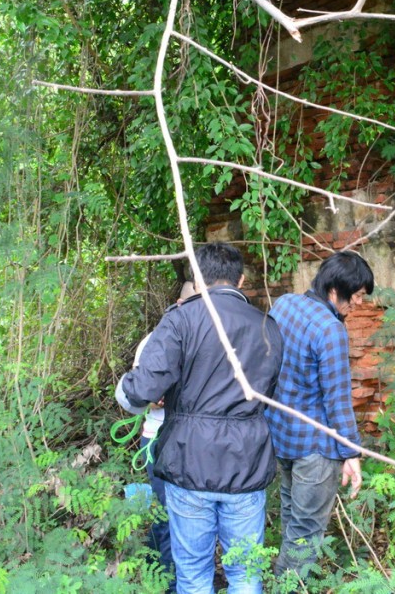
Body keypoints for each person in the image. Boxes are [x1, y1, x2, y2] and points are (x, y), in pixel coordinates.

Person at [120, 244, 283, 594]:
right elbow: (271, 392)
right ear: (241, 279)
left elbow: (140, 391)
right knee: (246, 573)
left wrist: (127, 389)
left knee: (193, 572)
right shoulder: (268, 327)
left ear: (196, 280)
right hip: (247, 465)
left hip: (189, 463)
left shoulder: (180, 320)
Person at [265, 251, 374, 580]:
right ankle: (287, 587)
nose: (357, 305)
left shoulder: (284, 304)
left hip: (281, 437)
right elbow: (338, 399)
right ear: (334, 290)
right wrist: (351, 452)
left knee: (290, 516)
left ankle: (281, 580)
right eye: (355, 297)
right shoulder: (330, 329)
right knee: (305, 531)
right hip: (315, 448)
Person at [115, 281, 196, 589]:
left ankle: (165, 571)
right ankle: (168, 581)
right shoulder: (155, 340)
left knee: (182, 515)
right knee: (167, 514)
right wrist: (150, 396)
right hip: (160, 438)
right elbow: (133, 392)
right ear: (178, 303)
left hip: (192, 440)